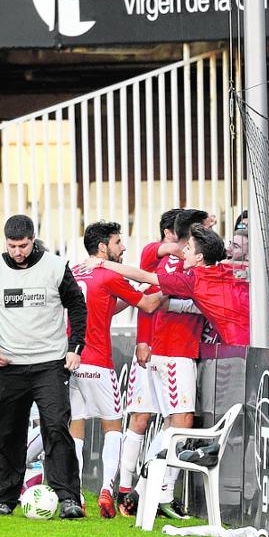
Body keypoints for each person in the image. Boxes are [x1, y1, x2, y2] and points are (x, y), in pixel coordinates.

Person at [0, 214, 87, 518]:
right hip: (8, 366)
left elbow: (77, 306)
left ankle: (69, 499)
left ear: (33, 240)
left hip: (50, 364)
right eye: (12, 246)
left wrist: (75, 348)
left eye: (23, 245)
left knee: (57, 428)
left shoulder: (55, 267)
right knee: (5, 432)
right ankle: (5, 498)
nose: (18, 251)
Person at [119, 208, 210, 518]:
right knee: (175, 421)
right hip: (171, 350)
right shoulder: (177, 263)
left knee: (173, 422)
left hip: (169, 350)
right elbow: (151, 299)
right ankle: (156, 491)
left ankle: (143, 490)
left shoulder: (184, 260)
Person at [70, 221, 161, 518]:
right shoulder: (108, 274)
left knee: (76, 429)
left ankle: (74, 495)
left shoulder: (74, 272)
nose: (123, 247)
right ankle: (107, 489)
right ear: (102, 247)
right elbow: (147, 305)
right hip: (97, 361)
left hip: (71, 362)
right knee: (113, 426)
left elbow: (106, 307)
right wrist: (166, 290)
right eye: (118, 242)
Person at [84, 224, 249, 345]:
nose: (182, 251)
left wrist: (101, 263)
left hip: (240, 346)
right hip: (256, 339)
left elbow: (145, 276)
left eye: (188, 248)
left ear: (199, 257)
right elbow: (193, 306)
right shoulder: (224, 269)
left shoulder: (193, 280)